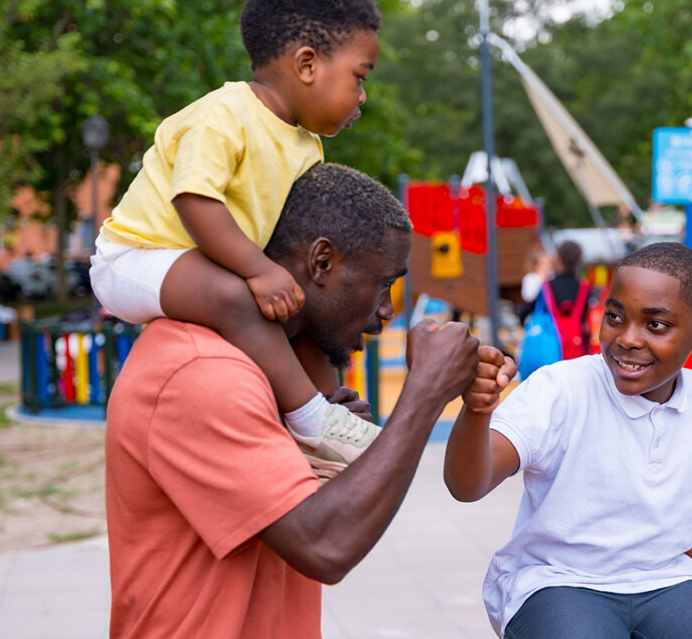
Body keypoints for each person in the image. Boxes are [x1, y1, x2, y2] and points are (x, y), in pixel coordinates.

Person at [105, 163, 497, 638]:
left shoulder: (260, 372)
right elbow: (325, 545)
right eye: (382, 284)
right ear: (322, 262)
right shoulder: (201, 372)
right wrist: (424, 392)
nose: (387, 311)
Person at [444, 242, 692, 639]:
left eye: (655, 325)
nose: (627, 338)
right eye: (614, 316)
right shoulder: (560, 389)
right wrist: (477, 410)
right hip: (557, 583)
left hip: (665, 582)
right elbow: (468, 485)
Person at [90, 0, 382, 478]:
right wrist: (259, 270)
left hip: (209, 260)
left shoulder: (307, 147)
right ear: (307, 64)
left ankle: (331, 414)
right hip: (138, 256)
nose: (363, 96)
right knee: (238, 298)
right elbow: (194, 201)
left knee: (303, 303)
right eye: (360, 77)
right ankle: (313, 422)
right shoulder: (224, 114)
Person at [545, 239, 593, 359]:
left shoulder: (547, 286)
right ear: (578, 260)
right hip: (577, 345)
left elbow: (529, 311)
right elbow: (584, 317)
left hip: (552, 344)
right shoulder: (584, 287)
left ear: (559, 258)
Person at [516, 245, 553, 325]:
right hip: (535, 315)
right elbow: (528, 297)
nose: (547, 267)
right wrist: (541, 281)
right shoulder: (531, 278)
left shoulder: (552, 278)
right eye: (544, 264)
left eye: (549, 264)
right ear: (536, 265)